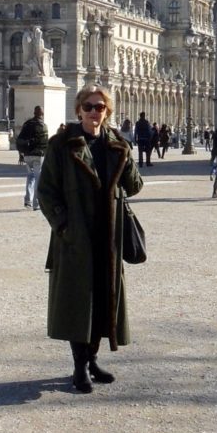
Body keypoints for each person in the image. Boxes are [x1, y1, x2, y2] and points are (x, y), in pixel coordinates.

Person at [37, 85, 143, 394]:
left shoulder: (117, 144)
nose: (94, 112)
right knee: (77, 300)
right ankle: (79, 366)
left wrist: (127, 153)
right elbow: (46, 191)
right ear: (79, 110)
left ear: (107, 112)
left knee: (102, 297)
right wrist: (64, 225)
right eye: (89, 106)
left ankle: (93, 359)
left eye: (100, 107)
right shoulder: (61, 145)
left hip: (108, 234)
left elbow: (134, 186)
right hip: (76, 236)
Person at [16, 104, 49, 210]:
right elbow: (45, 144)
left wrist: (21, 153)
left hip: (27, 155)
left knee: (30, 177)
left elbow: (20, 139)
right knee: (38, 179)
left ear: (34, 113)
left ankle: (27, 201)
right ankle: (36, 203)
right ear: (42, 114)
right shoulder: (42, 125)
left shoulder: (27, 124)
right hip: (38, 155)